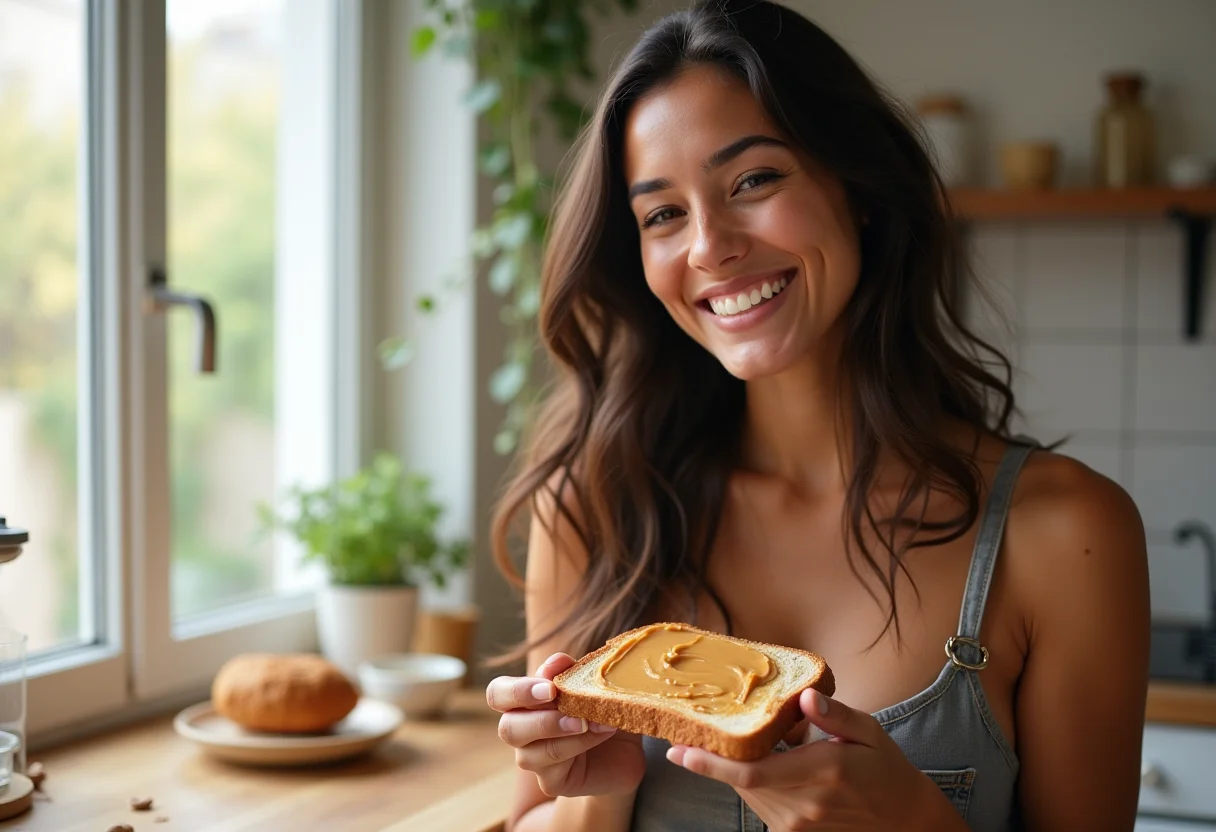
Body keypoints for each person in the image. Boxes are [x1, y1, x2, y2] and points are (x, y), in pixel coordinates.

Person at [482, 0, 1151, 829]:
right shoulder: (595, 508)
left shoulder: (1066, 535)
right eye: (663, 214)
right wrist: (602, 786)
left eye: (754, 180)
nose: (708, 246)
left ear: (859, 188)